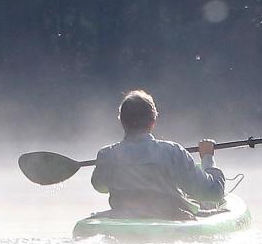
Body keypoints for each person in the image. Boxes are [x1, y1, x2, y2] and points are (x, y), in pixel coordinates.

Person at [90, 90, 225, 219]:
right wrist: (207, 158)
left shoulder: (106, 154)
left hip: (122, 218)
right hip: (169, 219)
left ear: (121, 121)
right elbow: (212, 193)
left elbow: (100, 187)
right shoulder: (172, 152)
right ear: (153, 121)